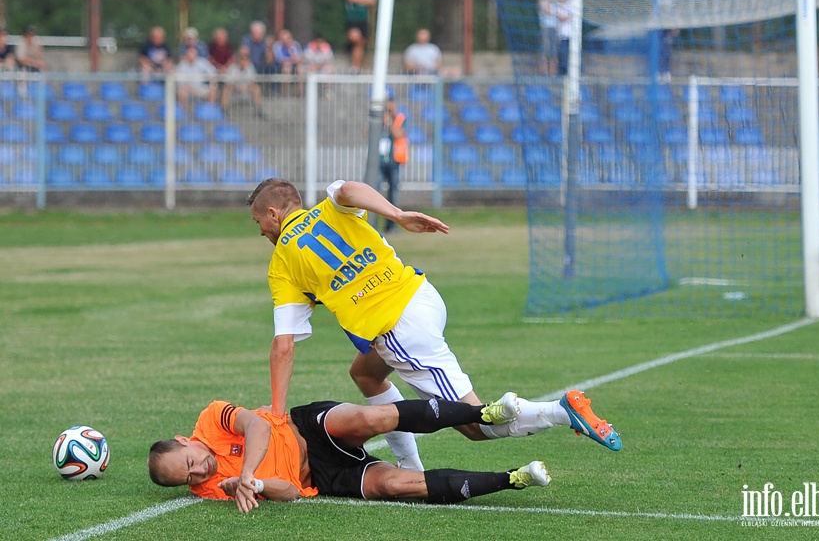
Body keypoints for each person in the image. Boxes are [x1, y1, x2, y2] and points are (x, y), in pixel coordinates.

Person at [247, 178, 622, 471]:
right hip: (422, 294)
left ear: (274, 213)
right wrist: (396, 214)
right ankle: (409, 465)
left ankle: (561, 410)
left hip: (400, 329)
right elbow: (348, 188)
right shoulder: (331, 209)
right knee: (365, 374)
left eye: (259, 221)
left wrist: (278, 415)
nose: (260, 230)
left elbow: (284, 345)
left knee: (476, 425)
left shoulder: (282, 261)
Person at [148, 396, 550, 512]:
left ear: (186, 440)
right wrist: (251, 484)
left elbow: (255, 425)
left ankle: (484, 412)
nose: (199, 473)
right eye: (188, 479)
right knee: (394, 485)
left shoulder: (211, 418)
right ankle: (513, 478)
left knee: (371, 418)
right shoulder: (210, 488)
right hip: (322, 478)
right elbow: (289, 491)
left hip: (304, 427)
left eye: (190, 462)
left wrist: (247, 469)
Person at [378, 88, 408, 231]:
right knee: (374, 192)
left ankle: (391, 226)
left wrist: (389, 122)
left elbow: (398, 135)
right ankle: (372, 224)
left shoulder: (399, 118)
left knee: (393, 194)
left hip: (393, 160)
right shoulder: (379, 118)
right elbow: (368, 133)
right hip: (379, 161)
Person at [339, 0, 376, 74]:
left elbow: (372, 1)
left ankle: (355, 68)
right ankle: (348, 48)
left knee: (360, 43)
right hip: (352, 18)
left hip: (363, 19)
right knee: (355, 37)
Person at [221, 45, 265, 118]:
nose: (244, 62)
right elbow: (228, 83)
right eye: (242, 60)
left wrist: (246, 87)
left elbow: (253, 81)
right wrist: (238, 87)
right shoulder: (232, 68)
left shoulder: (250, 67)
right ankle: (224, 110)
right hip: (234, 91)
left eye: (245, 60)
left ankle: (259, 110)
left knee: (256, 88)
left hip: (247, 90)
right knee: (226, 89)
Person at [538, 0, 559, 75]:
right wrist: (559, 14)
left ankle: (553, 73)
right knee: (545, 52)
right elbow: (547, 10)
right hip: (546, 28)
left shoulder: (556, 2)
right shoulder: (542, 1)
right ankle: (545, 73)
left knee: (554, 52)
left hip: (555, 28)